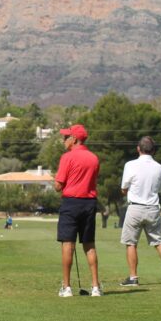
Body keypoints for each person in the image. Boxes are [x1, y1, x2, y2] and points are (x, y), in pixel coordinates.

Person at [119, 136, 161, 287]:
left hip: (135, 208)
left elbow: (124, 188)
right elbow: (158, 189)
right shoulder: (159, 167)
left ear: (138, 148)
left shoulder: (130, 165)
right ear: (153, 150)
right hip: (153, 209)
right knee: (158, 242)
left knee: (131, 243)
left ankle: (133, 278)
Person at [54, 124, 102, 297]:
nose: (63, 140)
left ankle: (66, 287)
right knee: (89, 245)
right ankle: (96, 287)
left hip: (71, 203)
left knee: (68, 244)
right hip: (89, 203)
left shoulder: (67, 157)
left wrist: (58, 182)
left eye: (66, 137)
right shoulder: (94, 158)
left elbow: (58, 186)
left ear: (74, 139)